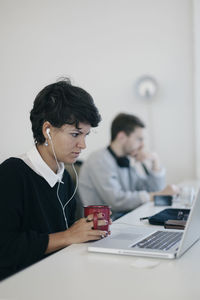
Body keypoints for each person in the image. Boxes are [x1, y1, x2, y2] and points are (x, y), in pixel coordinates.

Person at [0, 79, 111, 281]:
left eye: (85, 135)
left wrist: (85, 232)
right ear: (47, 130)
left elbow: (66, 236)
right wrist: (69, 235)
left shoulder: (64, 178)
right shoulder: (12, 174)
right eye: (76, 134)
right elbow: (5, 248)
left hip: (57, 277)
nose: (83, 144)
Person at [79, 113, 179, 220]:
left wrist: (155, 161)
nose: (142, 145)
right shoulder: (99, 159)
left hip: (124, 219)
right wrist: (156, 195)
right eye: (139, 139)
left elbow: (151, 190)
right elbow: (116, 201)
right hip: (103, 226)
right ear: (122, 137)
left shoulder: (126, 159)